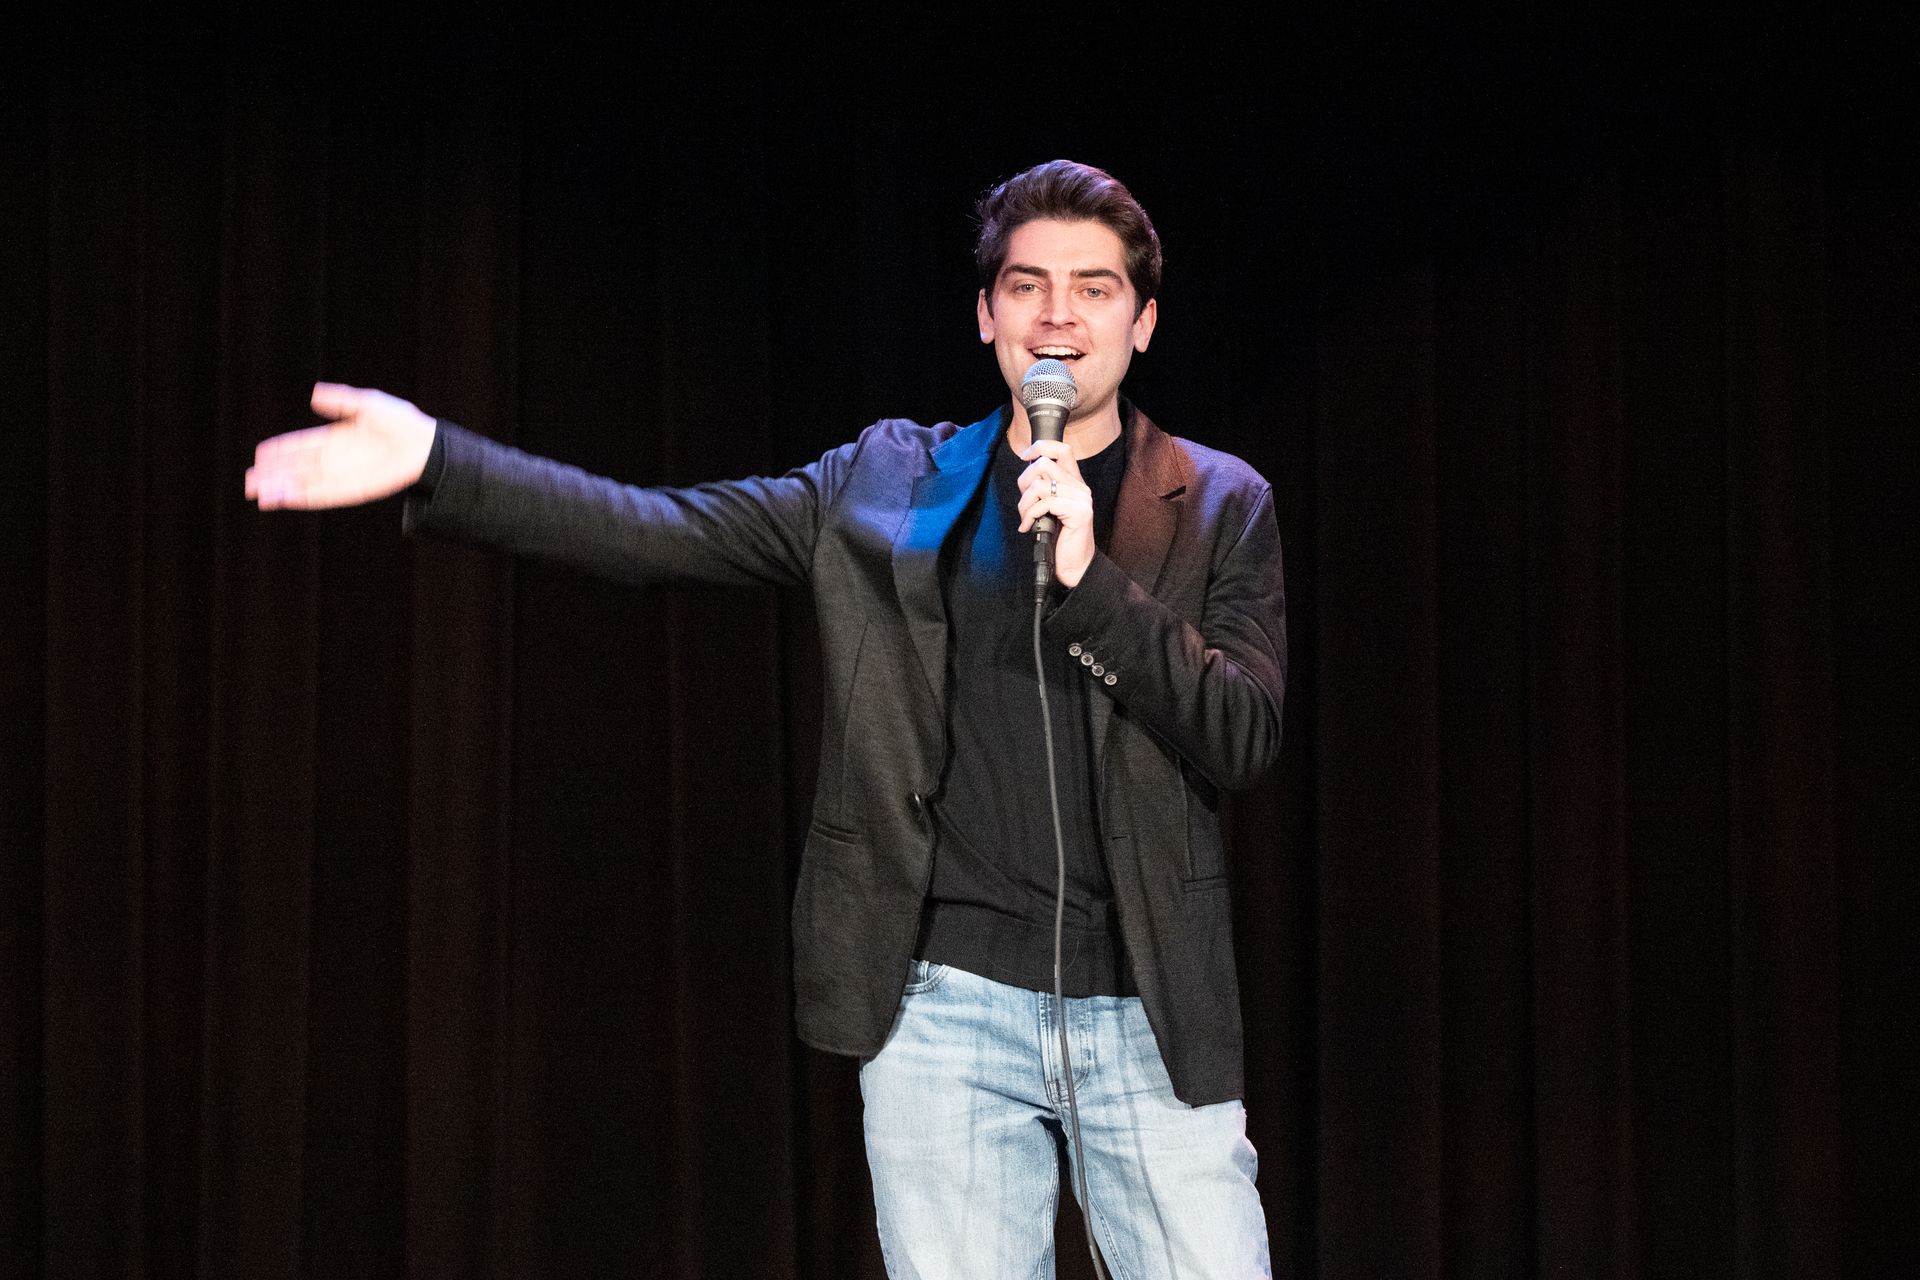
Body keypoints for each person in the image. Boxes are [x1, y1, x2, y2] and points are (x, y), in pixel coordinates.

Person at [247, 159, 1284, 1278]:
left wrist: (1093, 580)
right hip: (947, 1008)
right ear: (986, 315)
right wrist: (444, 461)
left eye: (1093, 288)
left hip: (1148, 1009)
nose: (1058, 316)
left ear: (1144, 320)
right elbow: (657, 529)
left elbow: (1242, 733)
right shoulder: (887, 482)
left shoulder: (1221, 502)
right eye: (1028, 286)